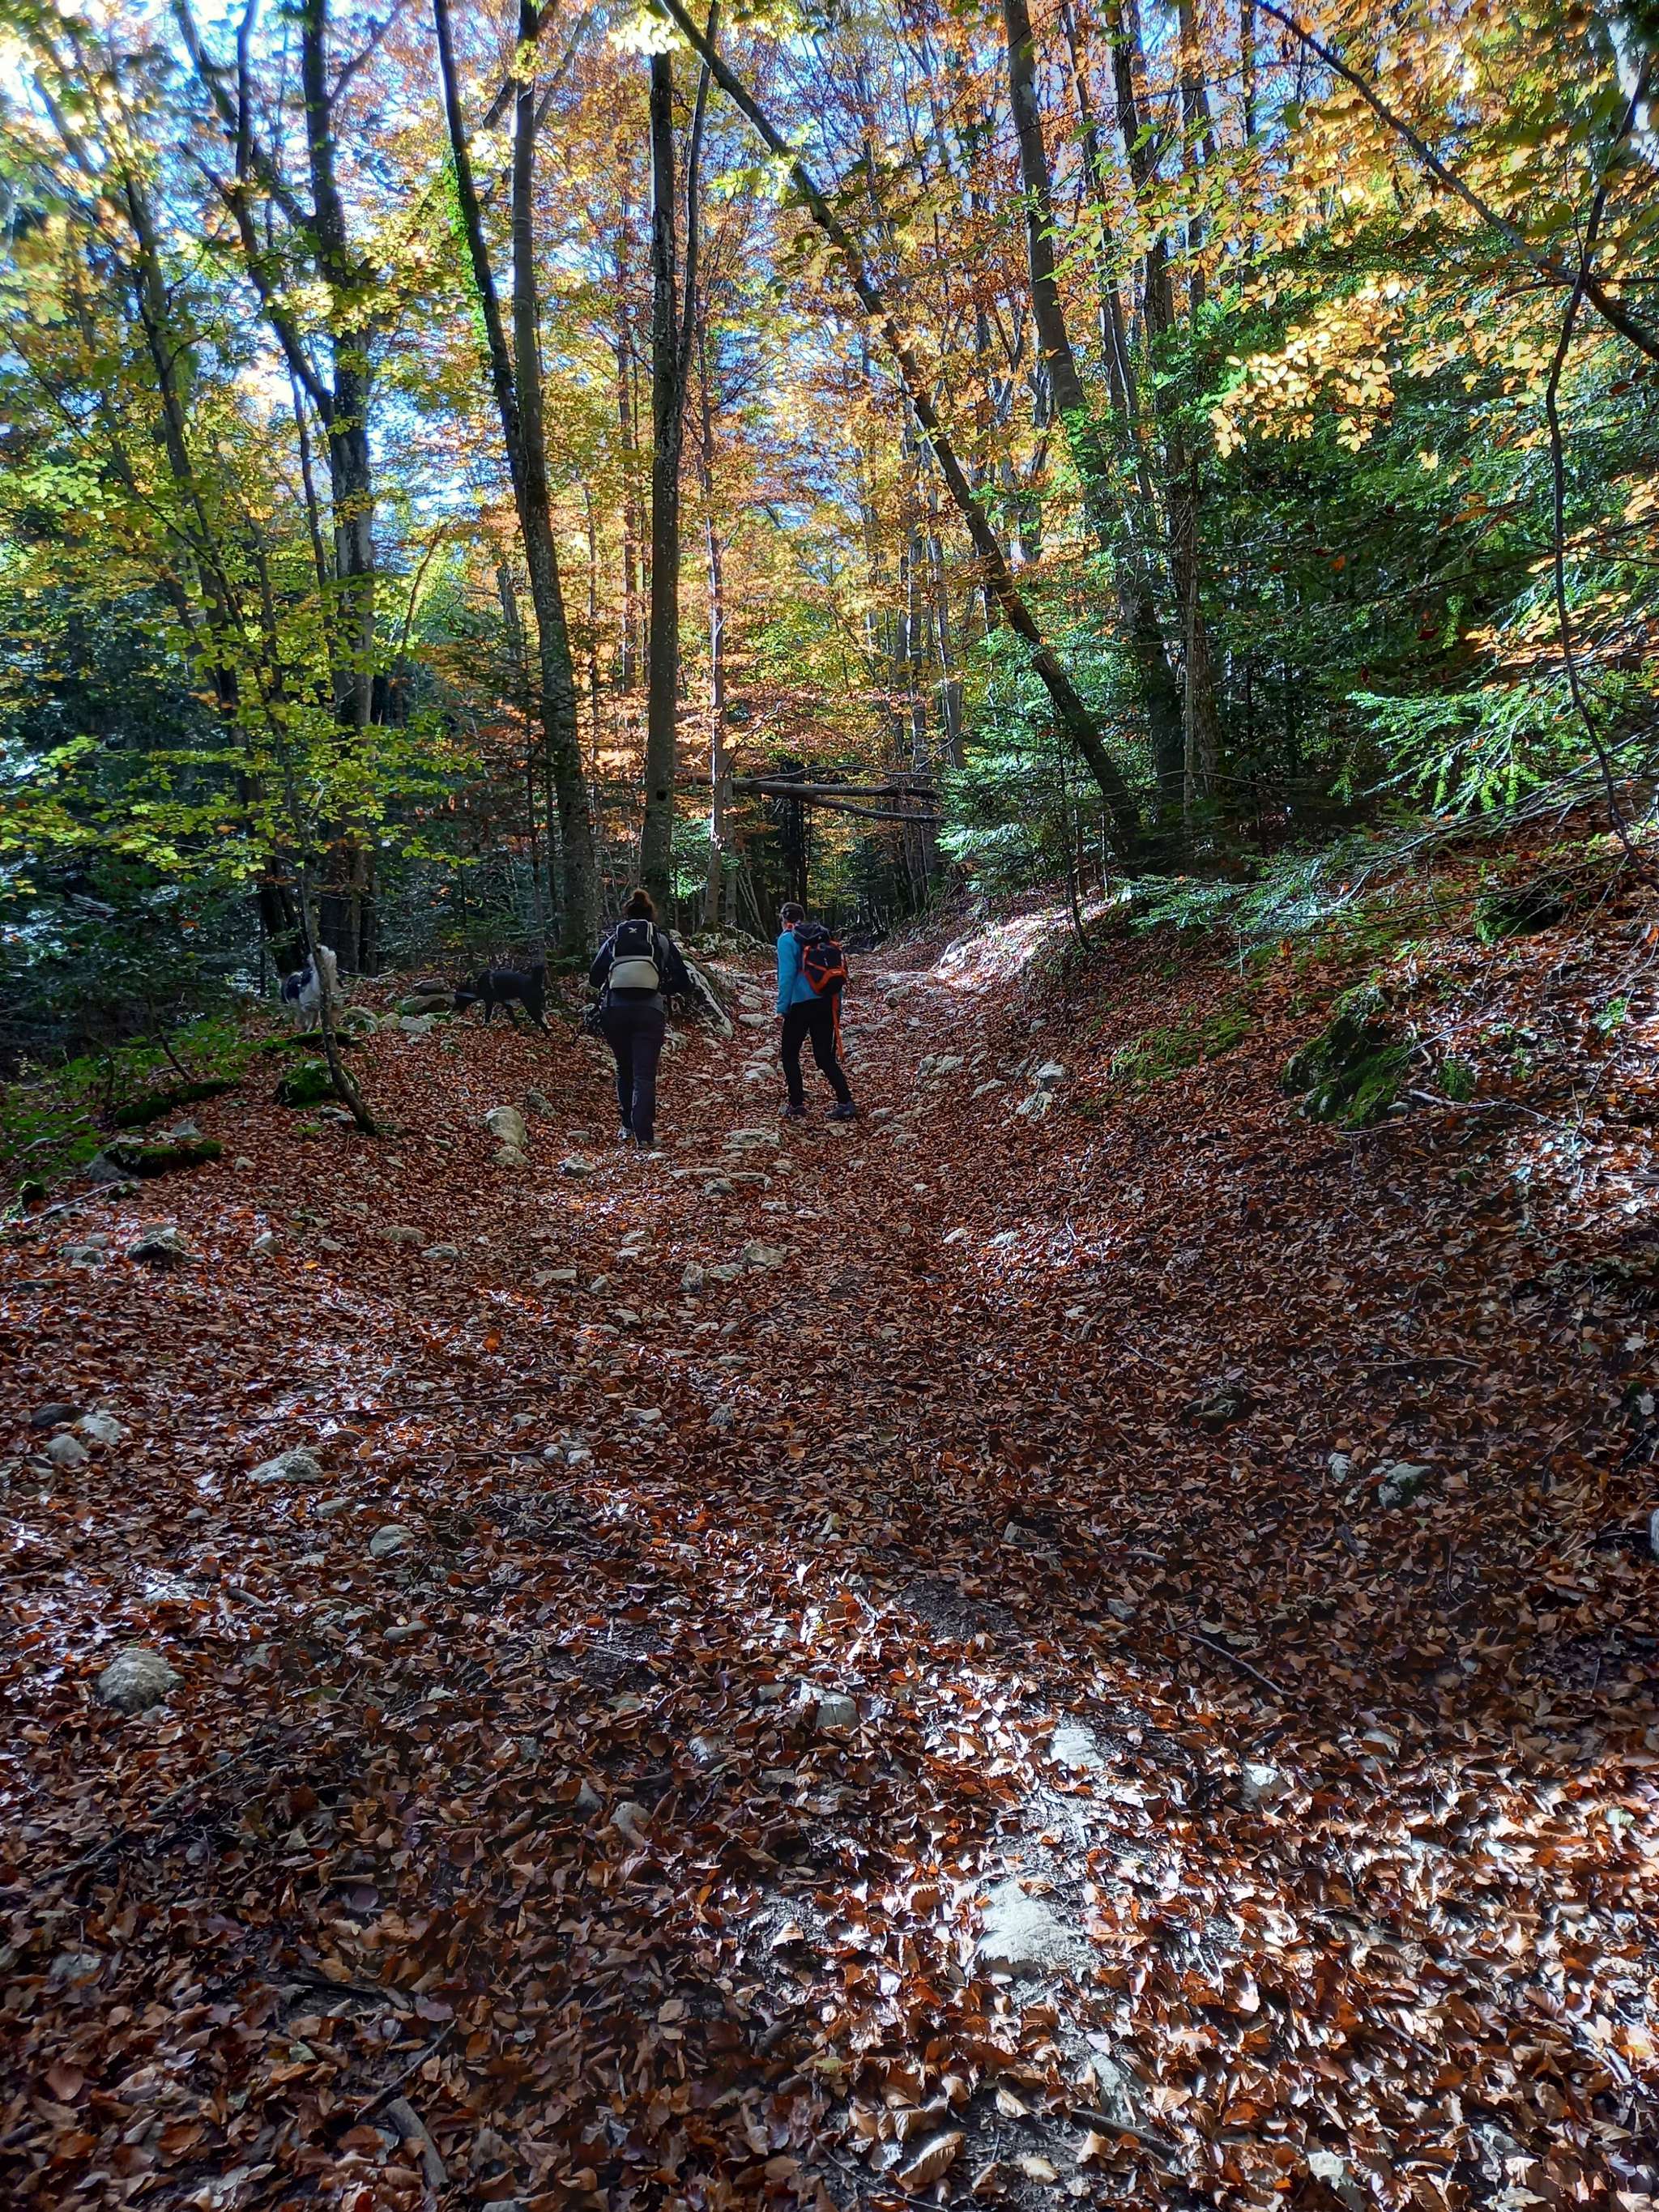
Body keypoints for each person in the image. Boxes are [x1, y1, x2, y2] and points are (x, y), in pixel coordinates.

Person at [589, 889, 690, 1149]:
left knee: (624, 1068)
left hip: (615, 1010)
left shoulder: (615, 939)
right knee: (644, 1074)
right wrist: (661, 987)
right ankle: (644, 1136)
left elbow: (594, 977)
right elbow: (683, 981)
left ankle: (626, 1126)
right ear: (651, 914)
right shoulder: (660, 940)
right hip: (649, 1011)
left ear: (627, 914)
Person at [776, 900, 855, 1121]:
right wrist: (837, 1006)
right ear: (802, 917)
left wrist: (782, 1007)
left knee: (790, 1054)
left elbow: (786, 976)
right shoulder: (821, 937)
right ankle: (846, 1102)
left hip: (799, 1005)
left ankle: (796, 1104)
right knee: (824, 1057)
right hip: (825, 1002)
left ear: (784, 919)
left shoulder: (787, 939)